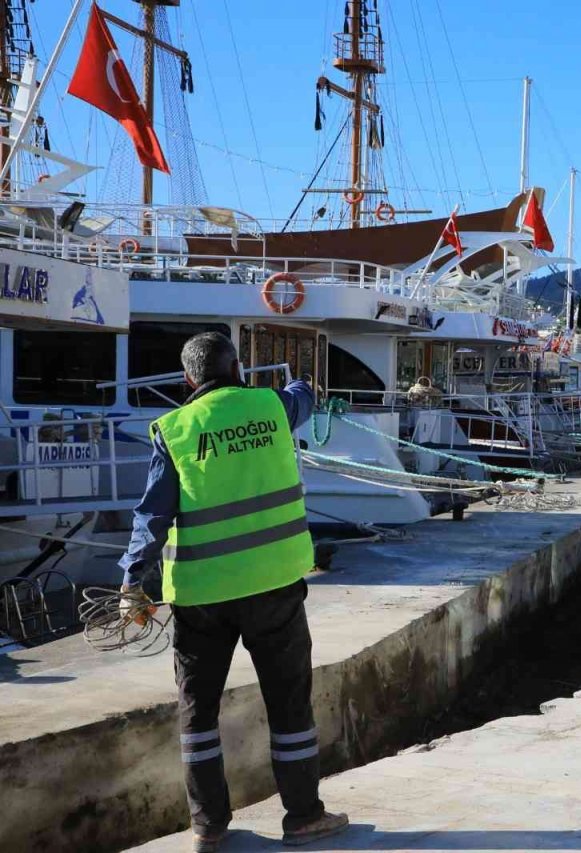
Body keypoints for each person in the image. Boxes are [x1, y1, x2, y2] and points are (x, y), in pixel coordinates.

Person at [117, 332, 348, 852]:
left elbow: (152, 516)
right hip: (274, 585)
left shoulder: (174, 429)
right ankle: (303, 818)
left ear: (188, 379)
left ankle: (208, 828)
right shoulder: (271, 407)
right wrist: (298, 379)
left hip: (201, 595)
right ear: (239, 369)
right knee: (289, 705)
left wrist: (132, 581)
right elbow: (303, 396)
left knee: (198, 714)